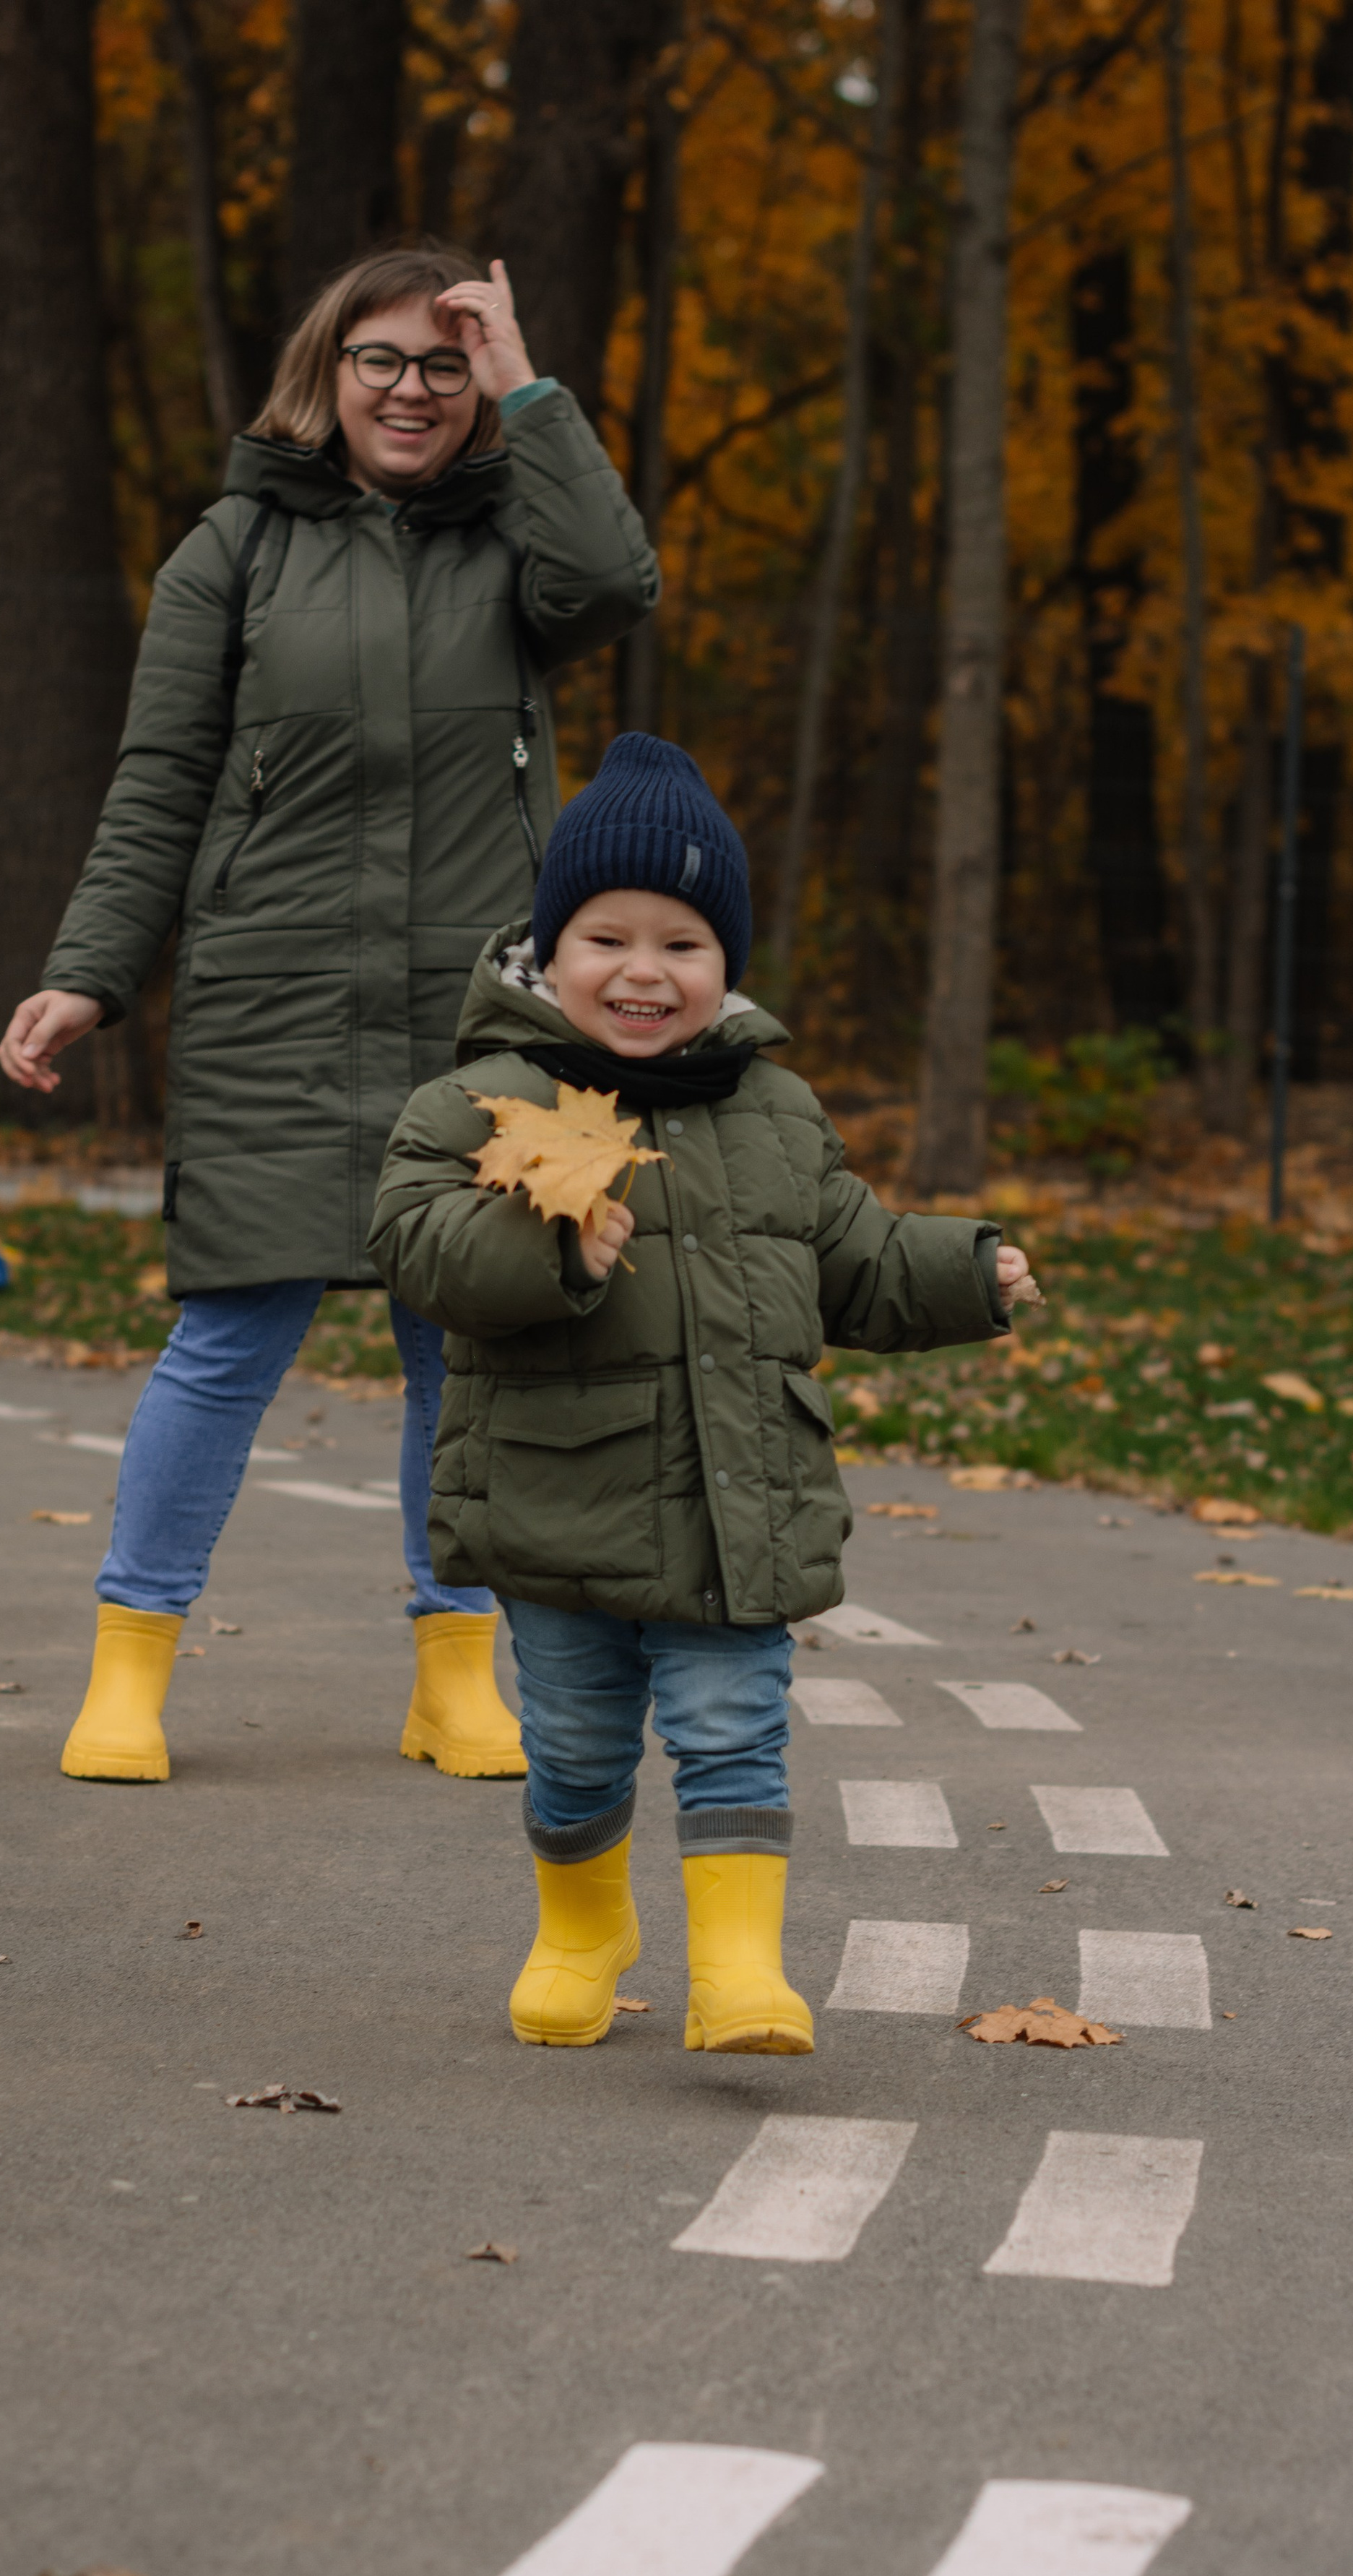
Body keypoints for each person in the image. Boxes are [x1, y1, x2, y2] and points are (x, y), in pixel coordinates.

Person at [0, 245, 658, 1785]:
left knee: (464, 1345)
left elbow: (615, 584)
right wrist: (91, 972)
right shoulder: (229, 552)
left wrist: (531, 385)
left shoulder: (516, 547)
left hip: (476, 1010)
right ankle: (128, 1671)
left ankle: (452, 1679)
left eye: (443, 362)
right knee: (226, 1336)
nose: (411, 390)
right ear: (325, 373)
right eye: (382, 359)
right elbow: (158, 780)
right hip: (270, 996)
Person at [369, 733, 1033, 2053]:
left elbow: (849, 1256)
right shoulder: (478, 1102)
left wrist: (963, 1270)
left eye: (682, 944)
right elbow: (414, 1242)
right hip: (561, 1510)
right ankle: (584, 1929)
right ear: (548, 953)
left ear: (726, 965)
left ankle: (739, 1971)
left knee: (735, 1731)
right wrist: (547, 1241)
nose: (642, 971)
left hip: (746, 1503)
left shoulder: (776, 1113)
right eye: (607, 937)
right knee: (572, 1747)